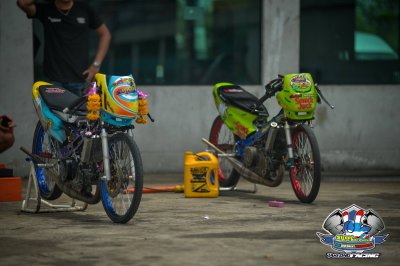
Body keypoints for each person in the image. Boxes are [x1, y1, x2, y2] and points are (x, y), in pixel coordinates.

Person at [17, 0, 112, 95]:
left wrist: (96, 65)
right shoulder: (47, 9)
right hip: (53, 81)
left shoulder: (84, 9)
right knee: (53, 110)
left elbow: (105, 34)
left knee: (84, 110)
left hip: (80, 80)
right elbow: (22, 3)